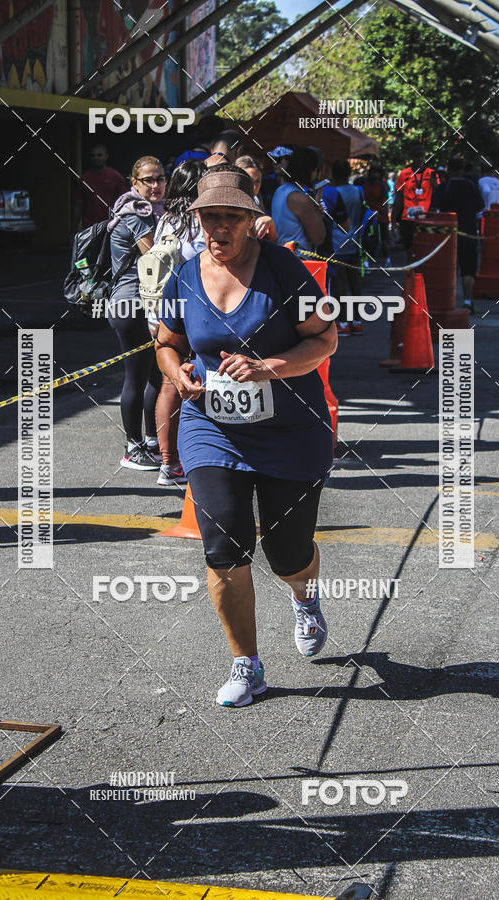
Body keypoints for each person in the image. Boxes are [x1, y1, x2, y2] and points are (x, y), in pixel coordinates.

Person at [155, 166, 337, 707]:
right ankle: (247, 665)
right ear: (198, 219)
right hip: (213, 428)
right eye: (210, 218)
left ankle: (305, 597)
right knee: (224, 545)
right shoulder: (184, 276)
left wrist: (269, 367)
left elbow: (325, 340)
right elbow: (166, 342)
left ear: (251, 219)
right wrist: (175, 373)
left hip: (291, 430)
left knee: (286, 554)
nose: (219, 229)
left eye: (231, 218)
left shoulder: (285, 271)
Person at [151, 159, 207, 486]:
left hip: (161, 308)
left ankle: (168, 461)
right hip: (191, 310)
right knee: (184, 382)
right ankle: (178, 461)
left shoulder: (166, 221)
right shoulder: (199, 225)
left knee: (168, 382)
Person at [108, 156, 164, 469]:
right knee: (137, 376)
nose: (155, 186)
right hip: (130, 304)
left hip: (144, 303)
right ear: (135, 183)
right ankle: (133, 447)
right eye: (148, 180)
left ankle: (152, 440)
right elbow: (156, 256)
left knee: (156, 374)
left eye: (160, 179)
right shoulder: (135, 211)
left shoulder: (151, 209)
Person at [439, 155, 484, 312]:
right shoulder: (471, 186)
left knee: (448, 270)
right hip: (469, 234)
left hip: (448, 236)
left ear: (448, 169)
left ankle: (446, 301)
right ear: (463, 168)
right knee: (468, 270)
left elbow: (435, 211)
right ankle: (467, 301)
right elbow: (480, 208)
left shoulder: (443, 187)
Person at [331, 159, 364, 336]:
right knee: (355, 284)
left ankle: (343, 322)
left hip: (337, 243)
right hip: (355, 241)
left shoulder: (334, 193)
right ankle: (357, 321)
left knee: (339, 286)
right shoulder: (357, 191)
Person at [271, 147, 325, 251]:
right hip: (298, 259)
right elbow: (318, 238)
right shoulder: (300, 199)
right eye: (315, 169)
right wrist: (317, 211)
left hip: (282, 254)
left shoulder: (280, 190)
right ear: (309, 171)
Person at [393, 145, 436, 260]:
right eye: (417, 156)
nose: (419, 159)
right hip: (408, 218)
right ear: (412, 157)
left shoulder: (432, 173)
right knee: (409, 249)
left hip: (425, 218)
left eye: (421, 156)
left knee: (424, 249)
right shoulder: (404, 174)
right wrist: (393, 221)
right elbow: (398, 198)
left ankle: (421, 274)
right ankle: (410, 273)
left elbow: (438, 196)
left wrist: (435, 185)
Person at [75, 144, 127, 228]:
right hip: (90, 226)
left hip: (112, 224)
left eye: (99, 155)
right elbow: (79, 204)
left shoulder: (116, 176)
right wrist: (74, 227)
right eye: (93, 156)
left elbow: (125, 201)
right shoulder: (85, 178)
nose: (96, 158)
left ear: (106, 156)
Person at [236, 154, 277, 240]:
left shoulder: (256, 200)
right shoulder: (226, 205)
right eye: (249, 181)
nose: (254, 187)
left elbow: (272, 243)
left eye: (257, 181)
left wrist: (271, 224)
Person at [363, 162, 390, 265]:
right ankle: (366, 261)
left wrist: (381, 213)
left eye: (377, 172)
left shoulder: (382, 186)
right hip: (368, 217)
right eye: (373, 172)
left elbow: (385, 202)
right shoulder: (366, 186)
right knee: (366, 240)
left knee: (383, 240)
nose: (375, 174)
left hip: (381, 217)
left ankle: (388, 260)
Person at [261, 145, 292, 212]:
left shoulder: (299, 184)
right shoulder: (265, 182)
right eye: (272, 159)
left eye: (278, 160)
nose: (274, 163)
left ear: (290, 161)